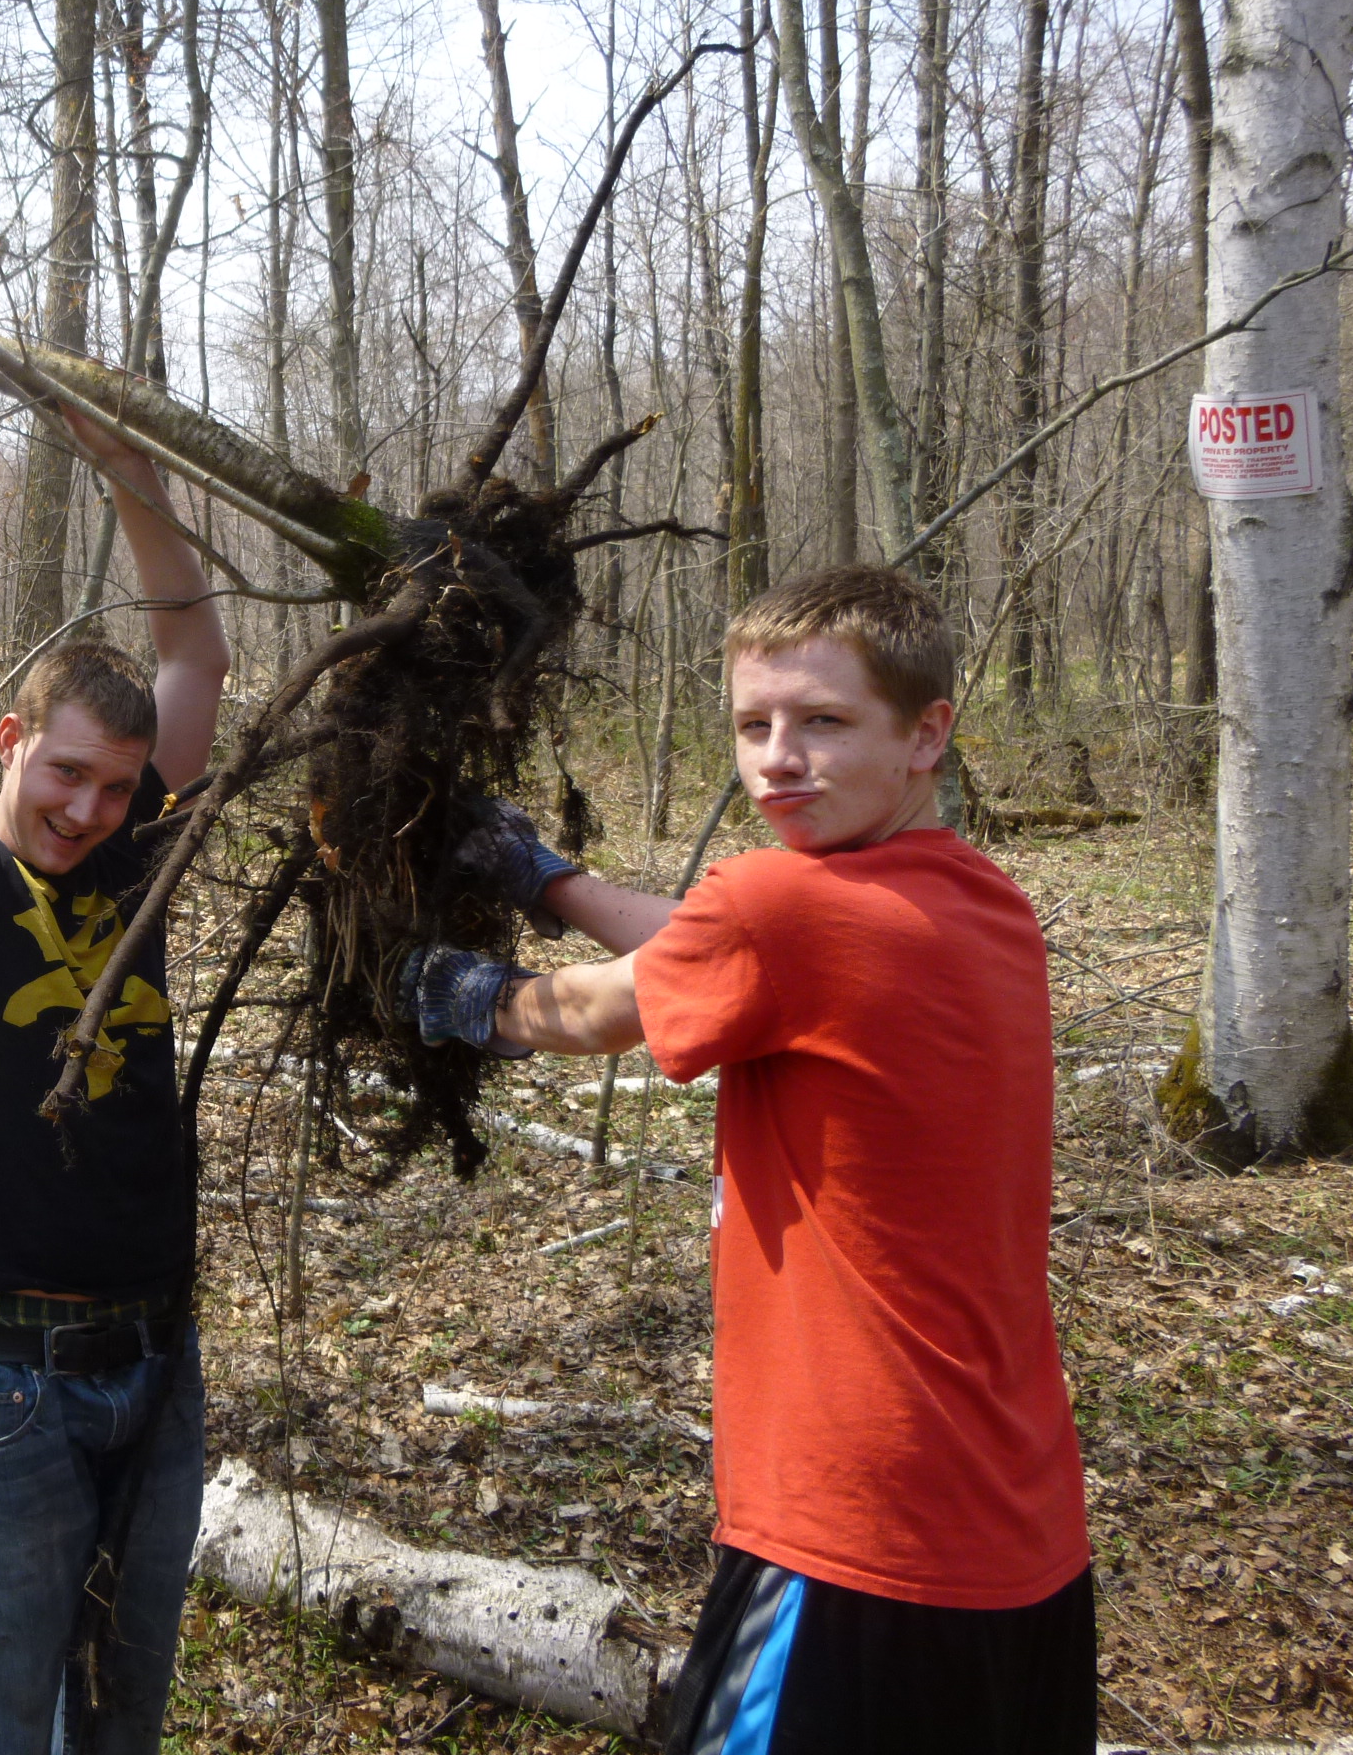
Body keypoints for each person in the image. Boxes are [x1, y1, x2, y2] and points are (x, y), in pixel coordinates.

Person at [401, 565, 1093, 1755]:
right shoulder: (980, 903)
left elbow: (594, 1013)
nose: (778, 759)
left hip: (857, 1536)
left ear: (927, 734)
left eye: (822, 721)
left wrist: (448, 990)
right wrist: (550, 882)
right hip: (1018, 1537)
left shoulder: (785, 907)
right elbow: (719, 952)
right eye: (752, 723)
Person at [0, 298, 230, 1755]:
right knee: (7, 1721)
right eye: (68, 773)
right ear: (11, 743)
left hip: (155, 1355)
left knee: (123, 1716)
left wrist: (128, 470)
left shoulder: (137, 855)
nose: (89, 809)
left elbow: (194, 656)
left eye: (117, 787)